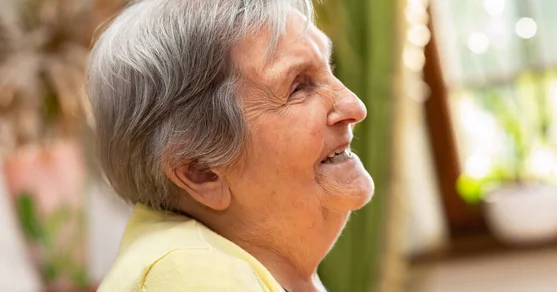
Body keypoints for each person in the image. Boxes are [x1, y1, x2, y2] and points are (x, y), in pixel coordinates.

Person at [87, 0, 374, 291]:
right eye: (298, 87)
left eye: (330, 69)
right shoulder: (189, 274)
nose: (354, 106)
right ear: (201, 171)